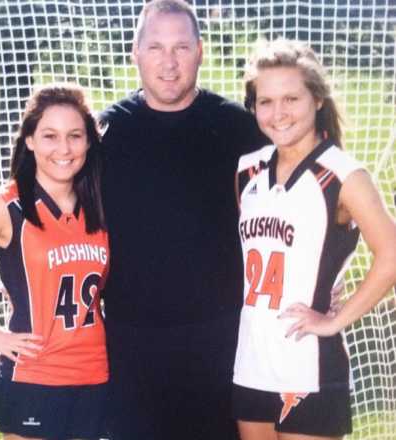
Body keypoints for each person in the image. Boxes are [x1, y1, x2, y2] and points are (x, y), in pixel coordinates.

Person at [98, 1, 267, 439]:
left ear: (201, 52)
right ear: (135, 52)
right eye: (155, 47)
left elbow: (289, 204)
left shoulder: (237, 128)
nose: (169, 62)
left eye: (181, 47)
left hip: (220, 335)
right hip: (130, 341)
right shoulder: (106, 132)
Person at [232, 38, 396, 440]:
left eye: (291, 98)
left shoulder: (343, 175)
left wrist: (334, 319)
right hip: (252, 361)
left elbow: (391, 253)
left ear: (317, 99)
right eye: (265, 101)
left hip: (310, 364)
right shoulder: (247, 172)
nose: (278, 113)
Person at [0, 84, 110, 439]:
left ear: (88, 142)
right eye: (50, 136)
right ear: (30, 140)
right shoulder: (7, 207)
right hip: (33, 377)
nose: (64, 149)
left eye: (75, 136)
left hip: (94, 375)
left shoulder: (99, 204)